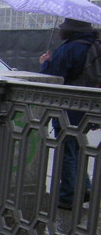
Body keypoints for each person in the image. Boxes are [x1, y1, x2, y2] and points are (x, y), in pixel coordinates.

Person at [39, 18, 98, 209]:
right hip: (89, 106)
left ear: (71, 30)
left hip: (69, 107)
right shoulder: (94, 45)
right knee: (78, 146)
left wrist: (45, 63)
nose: (59, 29)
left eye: (63, 26)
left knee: (67, 149)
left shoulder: (70, 49)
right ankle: (85, 187)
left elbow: (53, 77)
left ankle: (68, 195)